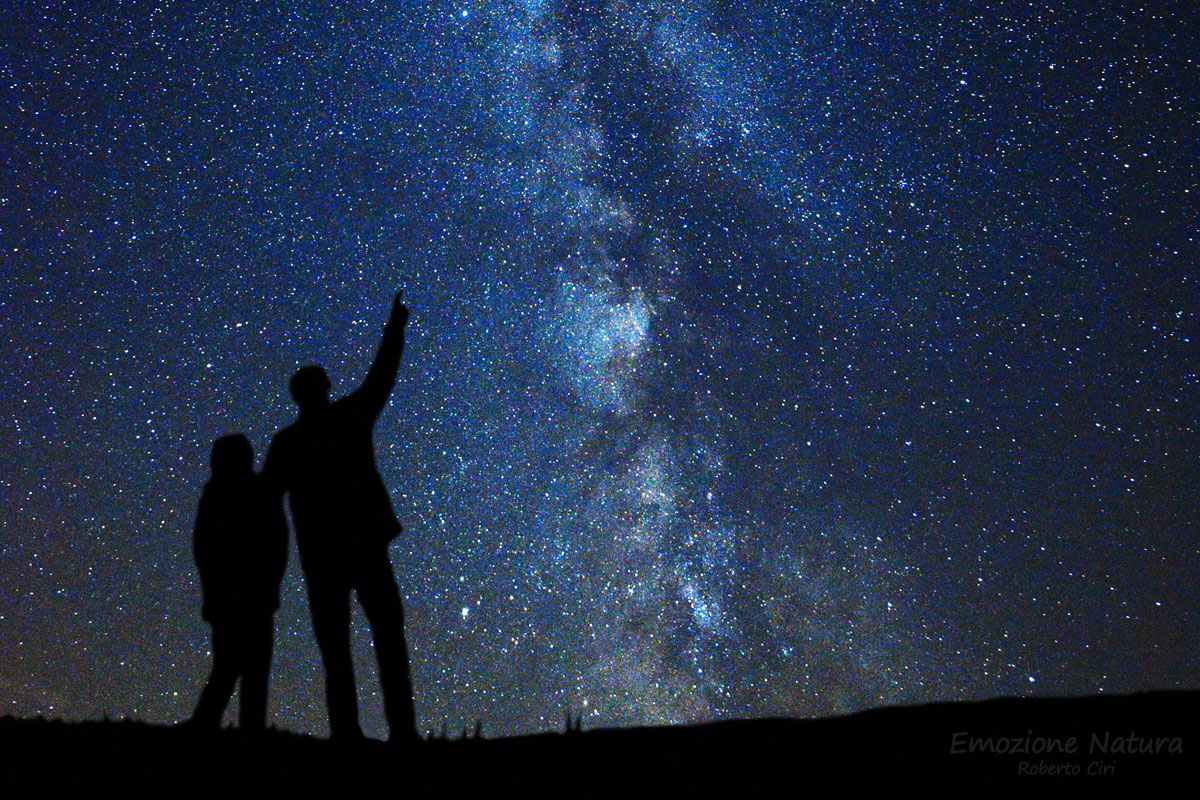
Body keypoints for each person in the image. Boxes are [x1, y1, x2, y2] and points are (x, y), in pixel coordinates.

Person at [263, 291, 415, 743]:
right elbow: (382, 377)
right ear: (323, 390)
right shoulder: (345, 418)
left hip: (327, 553)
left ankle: (352, 733)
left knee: (343, 645)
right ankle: (398, 733)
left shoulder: (289, 443)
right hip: (358, 544)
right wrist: (396, 328)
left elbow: (265, 497)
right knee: (382, 637)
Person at [190, 433, 288, 731]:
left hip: (238, 594)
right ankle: (233, 728)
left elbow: (203, 548)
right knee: (240, 666)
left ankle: (213, 725)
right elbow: (277, 544)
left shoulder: (222, 494)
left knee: (235, 666)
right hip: (245, 594)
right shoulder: (255, 493)